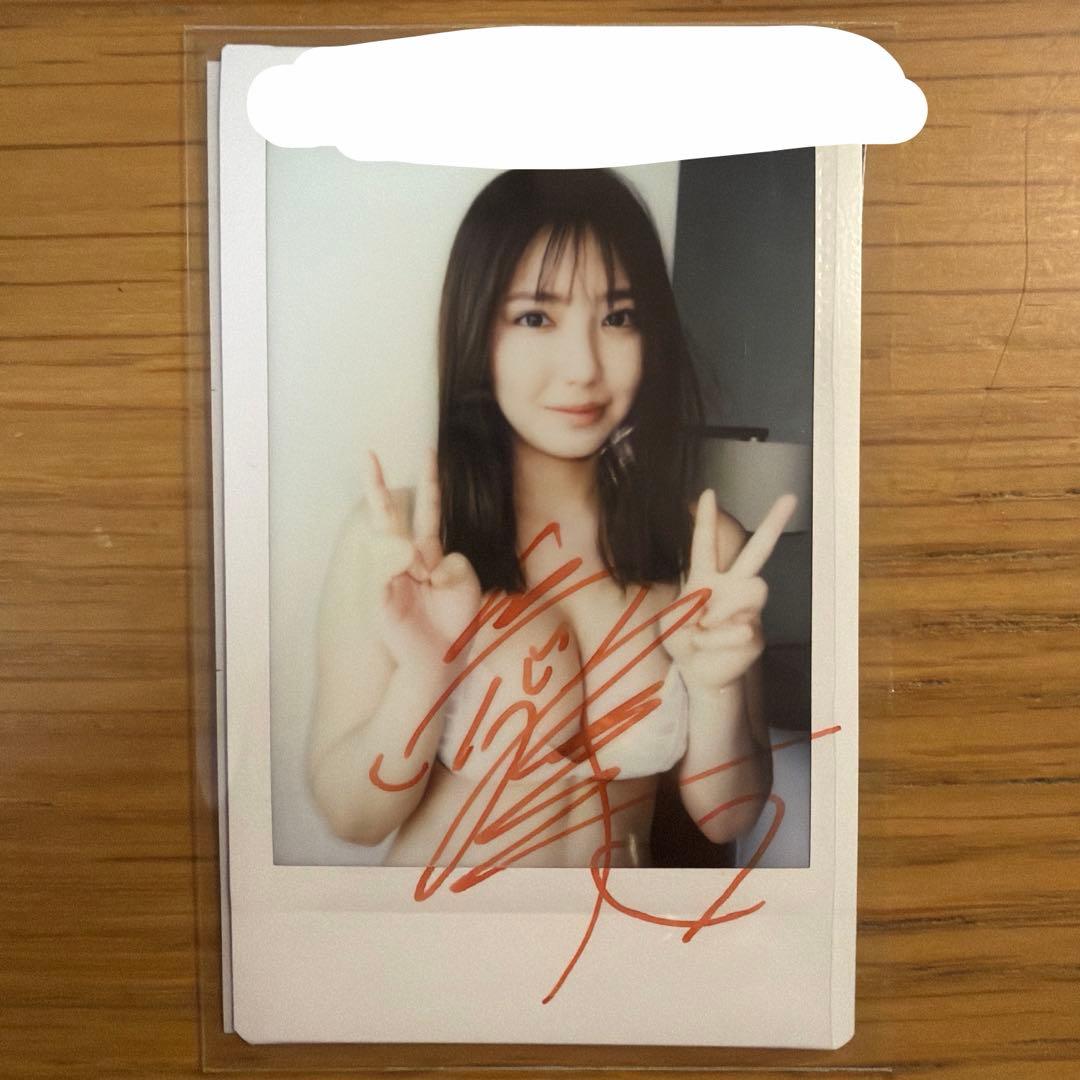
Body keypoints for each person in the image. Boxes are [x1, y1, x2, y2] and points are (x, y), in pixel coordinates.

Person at [306, 169, 795, 871]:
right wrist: (422, 674)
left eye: (618, 317)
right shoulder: (399, 541)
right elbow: (353, 818)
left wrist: (716, 688)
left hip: (616, 935)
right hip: (440, 932)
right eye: (536, 317)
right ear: (478, 330)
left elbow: (729, 817)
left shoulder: (705, 549)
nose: (583, 367)